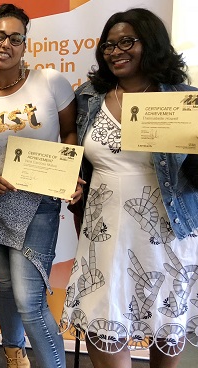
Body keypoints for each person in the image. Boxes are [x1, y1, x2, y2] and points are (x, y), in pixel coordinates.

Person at [60, 8, 198, 368]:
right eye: (108, 44)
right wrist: (72, 178)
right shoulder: (89, 96)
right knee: (102, 317)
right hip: (103, 227)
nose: (115, 51)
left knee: (164, 322)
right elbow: (77, 153)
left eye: (126, 42)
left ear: (149, 44)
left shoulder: (184, 99)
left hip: (166, 229)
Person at [0, 4, 81, 368]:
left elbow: (70, 132)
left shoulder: (50, 81)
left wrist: (70, 170)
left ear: (25, 45)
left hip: (39, 204)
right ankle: (15, 356)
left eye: (16, 39)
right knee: (5, 284)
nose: (6, 45)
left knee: (30, 299)